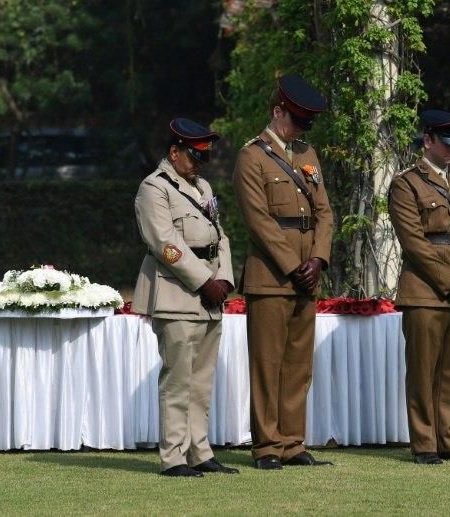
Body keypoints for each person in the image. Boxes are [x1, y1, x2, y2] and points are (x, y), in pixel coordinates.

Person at [233, 75, 335, 470]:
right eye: (295, 120)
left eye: (305, 123)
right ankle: (267, 447)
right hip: (272, 276)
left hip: (307, 271)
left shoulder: (308, 154)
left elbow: (324, 212)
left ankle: (293, 443)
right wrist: (295, 266)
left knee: (297, 365)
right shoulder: (252, 157)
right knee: (268, 363)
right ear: (277, 113)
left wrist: (318, 259)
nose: (300, 129)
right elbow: (258, 221)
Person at [132, 118, 237, 477]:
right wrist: (205, 281)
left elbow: (219, 235)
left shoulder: (202, 186)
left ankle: (200, 451)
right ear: (174, 152)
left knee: (201, 380)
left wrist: (223, 278)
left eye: (203, 157)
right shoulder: (154, 188)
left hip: (209, 295)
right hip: (176, 293)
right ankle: (173, 456)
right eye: (194, 156)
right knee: (178, 379)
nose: (199, 163)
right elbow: (165, 245)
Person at [388, 109, 450, 465]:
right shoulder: (406, 183)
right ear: (428, 140)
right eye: (447, 143)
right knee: (423, 369)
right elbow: (413, 242)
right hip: (426, 288)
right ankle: (425, 443)